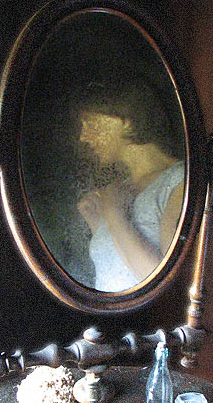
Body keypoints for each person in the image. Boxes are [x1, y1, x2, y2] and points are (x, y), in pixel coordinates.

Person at [75, 78, 185, 292]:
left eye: (90, 122)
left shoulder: (178, 181)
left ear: (127, 120)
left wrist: (112, 213)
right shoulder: (120, 189)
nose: (83, 137)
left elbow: (163, 284)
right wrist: (98, 224)